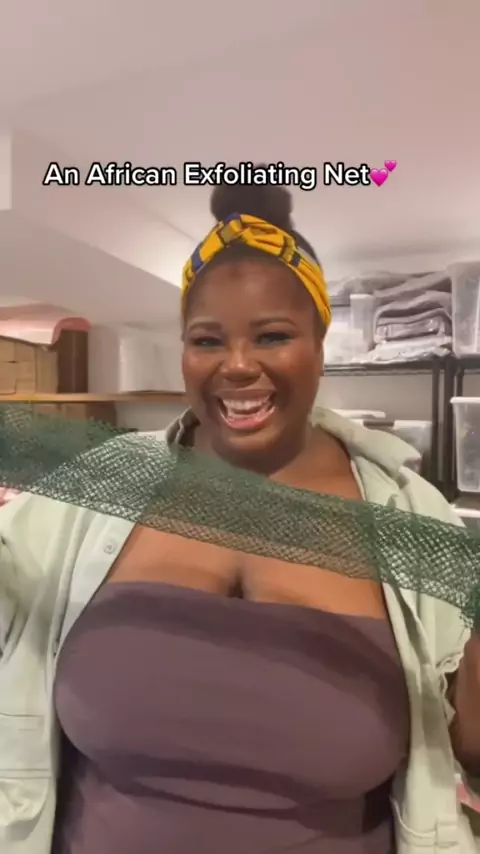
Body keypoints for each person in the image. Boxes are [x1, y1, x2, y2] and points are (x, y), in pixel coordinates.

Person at [1, 180, 480, 854]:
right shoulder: (96, 489)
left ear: (320, 343)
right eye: (207, 340)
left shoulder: (409, 518)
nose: (237, 366)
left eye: (273, 335)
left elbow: (468, 742)